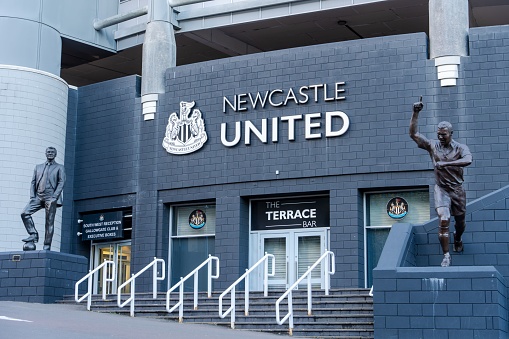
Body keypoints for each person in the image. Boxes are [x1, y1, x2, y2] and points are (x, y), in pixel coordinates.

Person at [409, 100, 472, 267]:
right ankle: (446, 256)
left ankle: (457, 237)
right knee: (444, 220)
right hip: (441, 189)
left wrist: (446, 164)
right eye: (438, 134)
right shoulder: (432, 145)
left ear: (451, 133)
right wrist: (416, 113)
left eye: (443, 134)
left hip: (457, 190)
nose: (440, 137)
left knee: (460, 223)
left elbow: (468, 160)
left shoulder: (460, 148)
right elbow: (414, 135)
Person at [20, 147, 66, 251]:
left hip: (51, 198)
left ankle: (47, 245)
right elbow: (33, 182)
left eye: (52, 152)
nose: (50, 154)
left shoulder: (60, 167)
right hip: (39, 197)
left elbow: (61, 182)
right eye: (48, 152)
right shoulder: (38, 167)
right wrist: (32, 196)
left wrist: (55, 196)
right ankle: (33, 234)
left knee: (49, 222)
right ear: (45, 153)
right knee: (24, 213)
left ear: (55, 154)